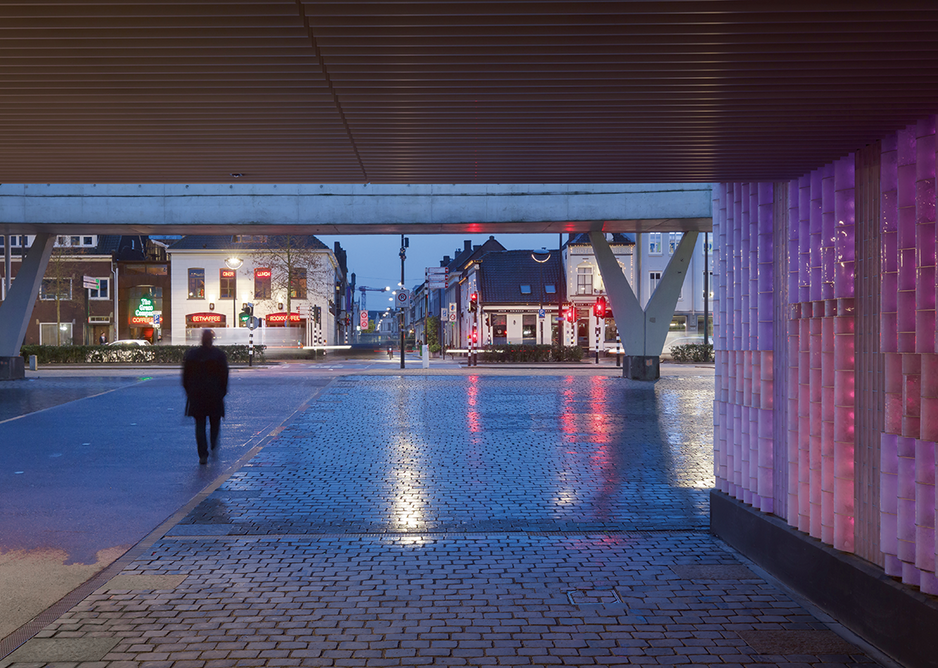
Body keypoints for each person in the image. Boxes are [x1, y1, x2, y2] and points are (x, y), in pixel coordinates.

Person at [182, 329, 229, 464]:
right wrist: (222, 391)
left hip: (197, 395)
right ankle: (213, 444)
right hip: (214, 394)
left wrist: (189, 391)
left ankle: (203, 453)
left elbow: (186, 376)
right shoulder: (219, 355)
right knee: (215, 422)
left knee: (200, 424)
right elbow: (224, 375)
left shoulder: (192, 355)